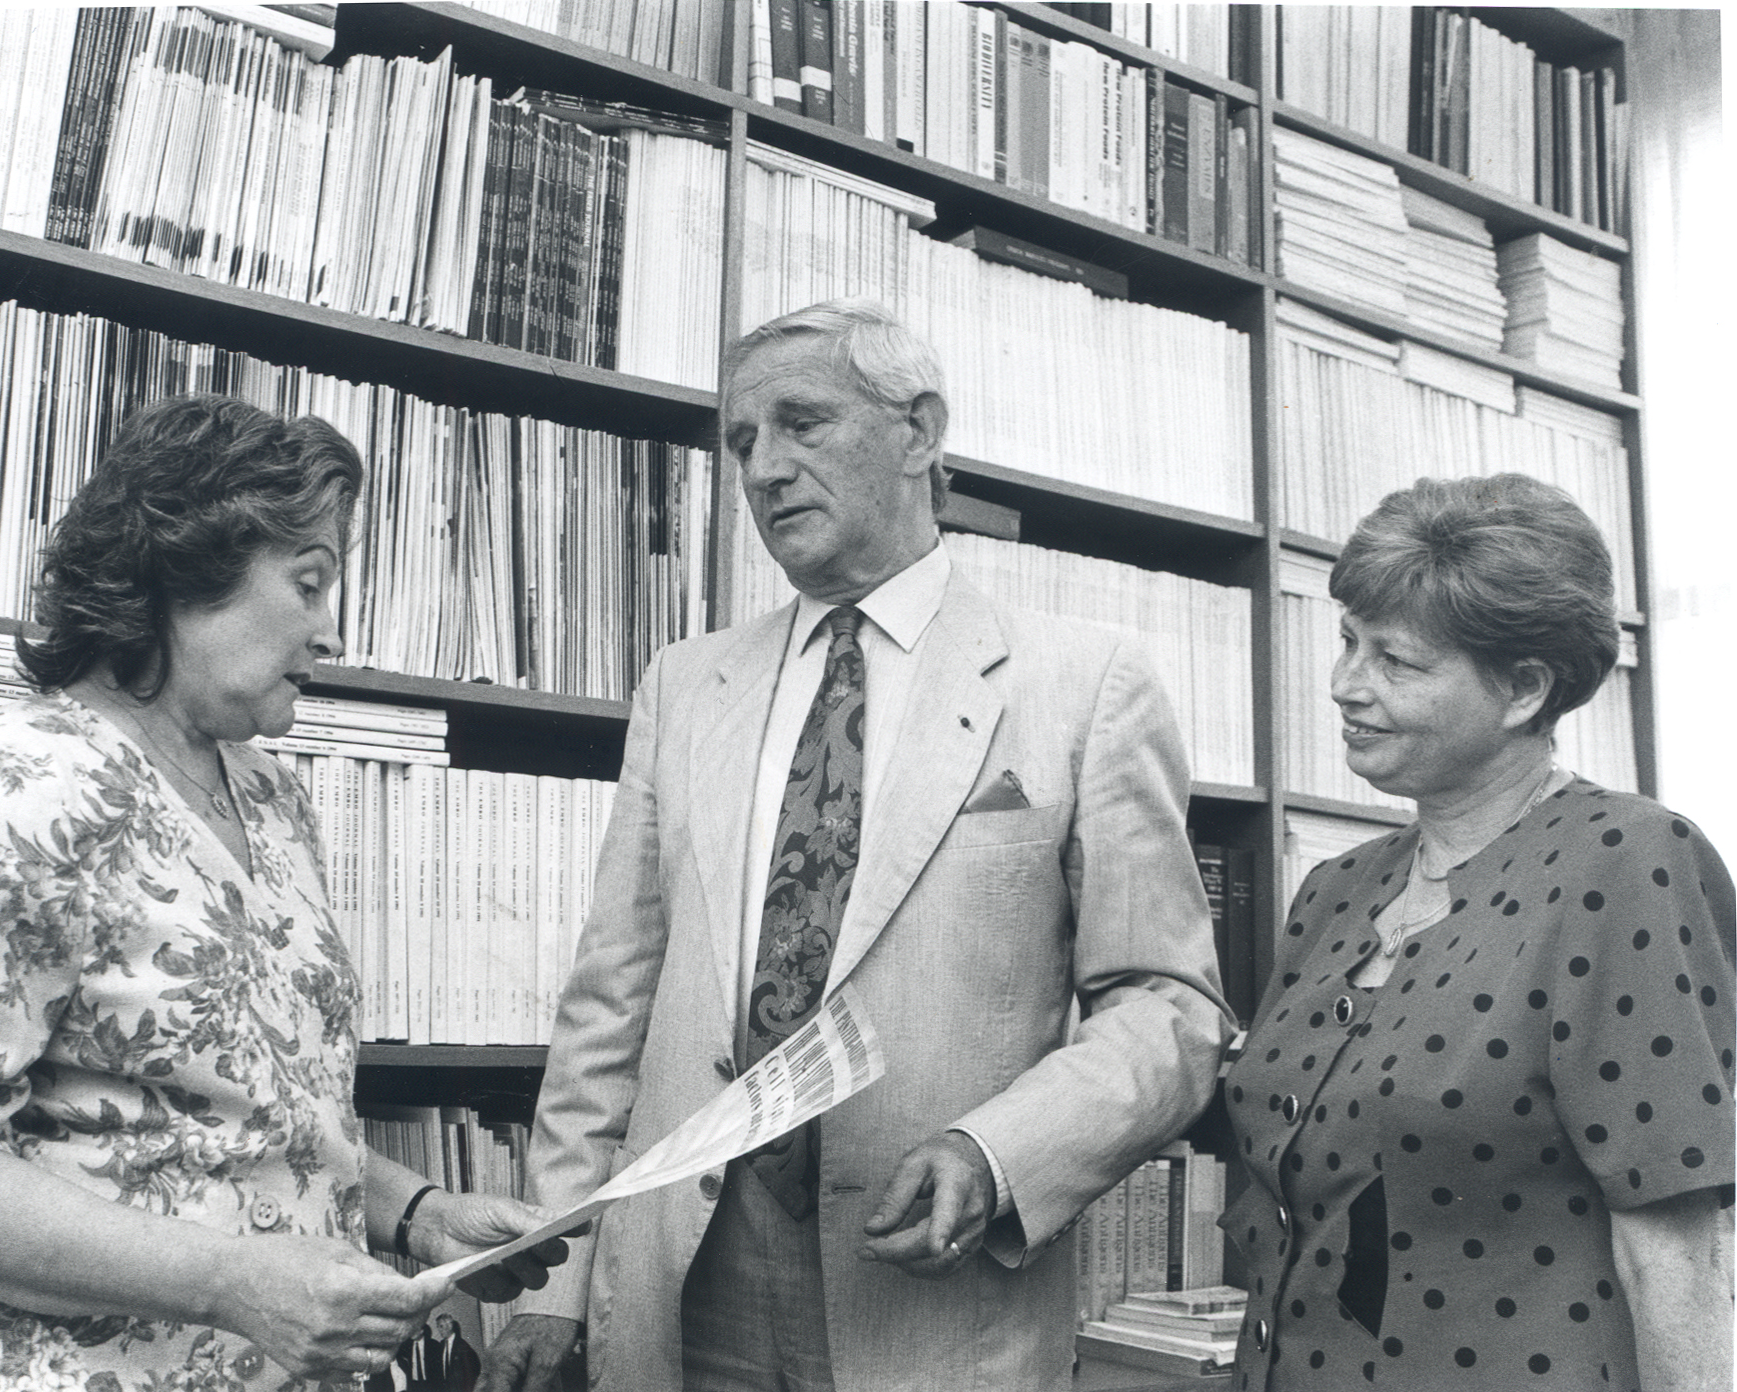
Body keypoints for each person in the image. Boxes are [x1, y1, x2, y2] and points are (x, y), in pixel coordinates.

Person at [481, 299, 1233, 1391]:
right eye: (743, 441)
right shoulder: (684, 686)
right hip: (685, 1286)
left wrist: (1000, 1153)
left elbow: (1170, 1008)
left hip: (933, 1304)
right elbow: (611, 1003)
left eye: (802, 423)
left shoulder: (1085, 684)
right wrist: (552, 1278)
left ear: (918, 432)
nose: (764, 469)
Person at [0, 395, 568, 1392]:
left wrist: (419, 1213)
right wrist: (234, 1284)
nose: (330, 631)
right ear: (189, 570)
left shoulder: (270, 799)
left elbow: (254, 1124)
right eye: (308, 583)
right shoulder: (10, 786)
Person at [1221, 474, 1735, 1390]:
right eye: (1347, 642)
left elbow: (1677, 1253)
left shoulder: (1626, 863)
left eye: (1396, 661)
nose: (1345, 686)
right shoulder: (1334, 891)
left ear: (1523, 689)